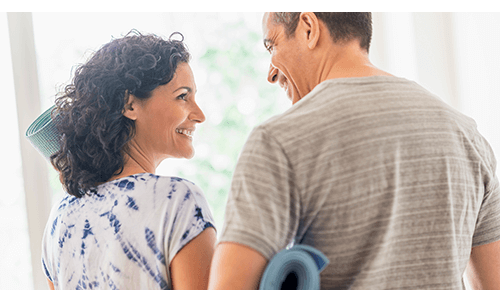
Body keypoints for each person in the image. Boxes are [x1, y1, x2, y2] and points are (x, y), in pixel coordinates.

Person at [208, 12, 500, 289]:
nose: (271, 73)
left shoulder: (279, 140)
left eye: (272, 45)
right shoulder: (466, 136)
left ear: (308, 27)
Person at [41, 31, 217, 290]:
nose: (199, 114)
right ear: (130, 104)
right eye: (182, 96)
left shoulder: (60, 218)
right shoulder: (178, 201)